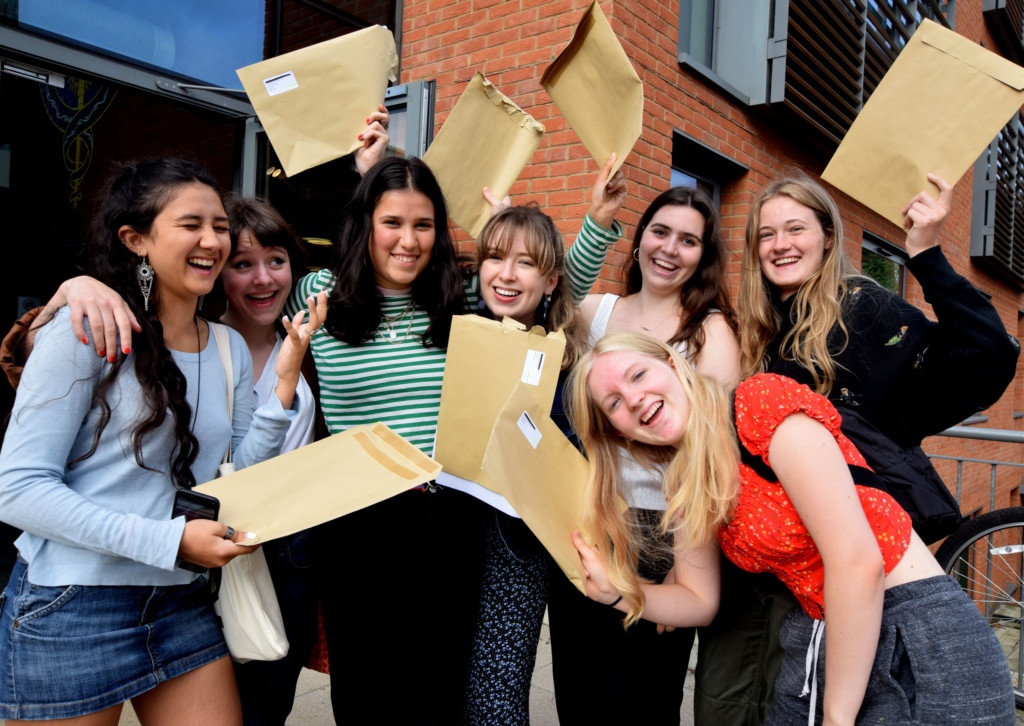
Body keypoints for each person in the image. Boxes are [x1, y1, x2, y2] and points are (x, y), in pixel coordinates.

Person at [284, 154, 617, 724]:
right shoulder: (320, 292)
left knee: (439, 687)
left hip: (444, 518)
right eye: (392, 223)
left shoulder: (455, 293)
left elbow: (544, 288)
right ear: (365, 223)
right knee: (364, 689)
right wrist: (91, 288)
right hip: (355, 520)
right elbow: (248, 318)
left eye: (424, 224)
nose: (408, 241)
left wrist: (598, 223)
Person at [692, 173, 1021, 725]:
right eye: (766, 234)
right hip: (774, 563)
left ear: (827, 235)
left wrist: (927, 255)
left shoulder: (861, 309)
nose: (780, 245)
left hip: (850, 570)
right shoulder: (759, 329)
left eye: (795, 228)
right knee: (736, 701)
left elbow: (986, 355)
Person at [0, 158, 320, 724]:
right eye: (190, 224)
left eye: (220, 226)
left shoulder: (225, 345)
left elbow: (239, 475)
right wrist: (169, 542)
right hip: (74, 604)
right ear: (136, 239)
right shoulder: (83, 330)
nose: (211, 241)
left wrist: (286, 383)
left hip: (181, 601)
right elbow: (19, 490)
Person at [569, 331, 1016, 726]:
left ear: (671, 364)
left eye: (638, 375)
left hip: (916, 636)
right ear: (620, 433)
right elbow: (698, 600)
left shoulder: (757, 403)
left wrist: (838, 716)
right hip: (825, 635)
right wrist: (617, 592)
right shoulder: (687, 482)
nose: (633, 399)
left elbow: (858, 563)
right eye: (614, 404)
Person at [547, 184, 739, 726]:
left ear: (704, 256)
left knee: (644, 700)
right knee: (579, 692)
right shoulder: (593, 312)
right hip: (590, 519)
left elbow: (714, 445)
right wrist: (592, 222)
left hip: (667, 531)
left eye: (688, 240)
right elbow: (541, 297)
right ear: (638, 240)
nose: (670, 248)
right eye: (660, 231)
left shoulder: (711, 329)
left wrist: (675, 585)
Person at [462, 203, 593, 725]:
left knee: (496, 692)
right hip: (444, 538)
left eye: (525, 263)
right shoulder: (454, 333)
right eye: (494, 257)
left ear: (551, 280)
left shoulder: (567, 362)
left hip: (515, 547)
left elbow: (574, 463)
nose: (506, 274)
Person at [218, 194, 320, 726]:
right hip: (216, 544)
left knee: (272, 695)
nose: (263, 278)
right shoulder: (202, 344)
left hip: (294, 550)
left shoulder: (316, 346)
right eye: (243, 264)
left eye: (275, 261)